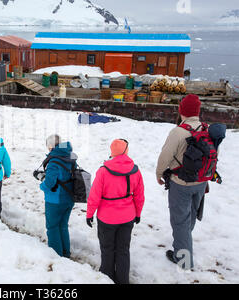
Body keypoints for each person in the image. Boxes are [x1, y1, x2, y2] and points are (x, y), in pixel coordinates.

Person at [156, 94, 208, 270]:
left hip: (181, 183)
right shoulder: (204, 128)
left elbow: (165, 157)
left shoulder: (178, 131)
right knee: (190, 216)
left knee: (180, 221)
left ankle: (183, 260)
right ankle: (184, 239)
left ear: (181, 110)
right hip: (200, 182)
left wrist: (159, 173)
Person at [86, 139, 144, 284]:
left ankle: (107, 278)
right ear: (126, 151)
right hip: (127, 216)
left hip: (107, 218)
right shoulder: (135, 170)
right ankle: (123, 280)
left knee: (107, 249)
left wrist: (89, 214)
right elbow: (139, 195)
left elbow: (94, 196)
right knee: (123, 250)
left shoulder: (103, 171)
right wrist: (137, 213)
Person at [39, 134, 76, 258]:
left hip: (55, 200)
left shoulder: (54, 161)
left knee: (53, 227)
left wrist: (41, 186)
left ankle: (57, 256)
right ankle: (66, 253)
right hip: (69, 198)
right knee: (63, 226)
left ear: (50, 147)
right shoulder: (69, 156)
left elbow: (49, 183)